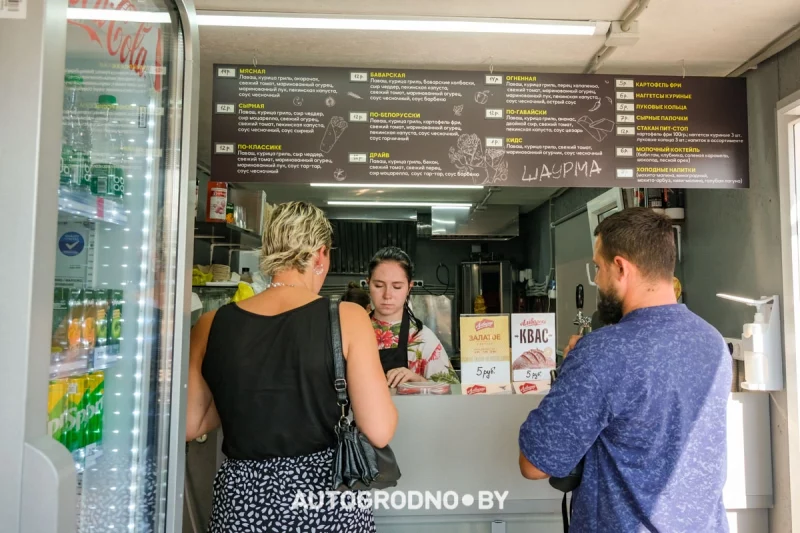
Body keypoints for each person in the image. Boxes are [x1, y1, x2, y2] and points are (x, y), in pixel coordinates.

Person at [186, 201, 397, 532]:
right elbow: (379, 430)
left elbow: (191, 423)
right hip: (325, 501)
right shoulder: (347, 318)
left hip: (243, 501)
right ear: (320, 254)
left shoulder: (211, 324)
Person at [518, 208, 731, 532]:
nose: (597, 280)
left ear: (620, 267)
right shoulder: (712, 342)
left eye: (598, 268)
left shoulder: (603, 353)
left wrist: (575, 370)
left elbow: (535, 464)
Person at [367, 246, 460, 387]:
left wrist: (419, 381)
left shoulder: (423, 340)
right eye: (379, 285)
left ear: (409, 288)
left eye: (397, 287)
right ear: (368, 284)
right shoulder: (352, 333)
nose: (387, 295)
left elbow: (451, 394)